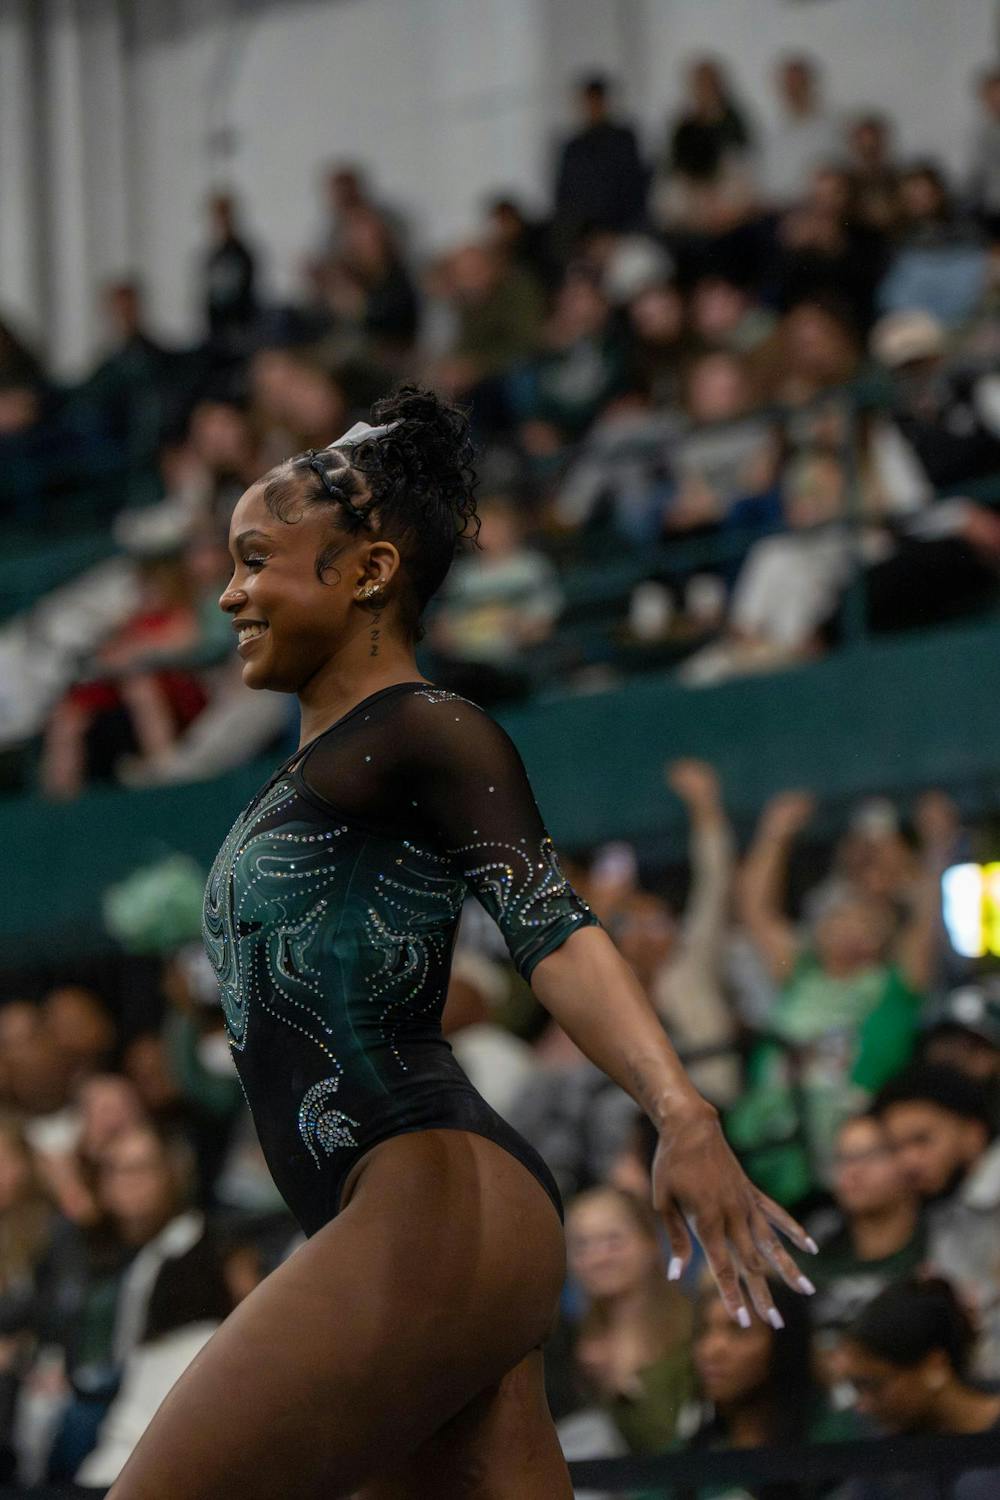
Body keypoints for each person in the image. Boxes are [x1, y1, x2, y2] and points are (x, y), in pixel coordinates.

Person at [104, 386, 816, 1499]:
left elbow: (552, 924)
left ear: (369, 571)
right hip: (430, 1214)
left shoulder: (424, 727)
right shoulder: (323, 762)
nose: (231, 594)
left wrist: (679, 1110)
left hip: (428, 1195)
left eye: (254, 561)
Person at [676, 1275, 854, 1500]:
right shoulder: (691, 1452)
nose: (711, 1350)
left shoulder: (836, 1444)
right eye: (704, 1331)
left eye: (738, 1331)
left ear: (785, 1344)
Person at [873, 1064, 1000, 1377]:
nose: (908, 1162)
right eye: (895, 1148)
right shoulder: (939, 1209)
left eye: (922, 1140)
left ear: (973, 1134)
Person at [841, 1277, 1000, 1499]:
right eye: (856, 1389)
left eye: (874, 1386)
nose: (863, 1406)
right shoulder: (883, 1458)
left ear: (933, 1365)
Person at [565, 1186, 694, 1454]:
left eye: (613, 1241)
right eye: (582, 1246)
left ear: (650, 1243)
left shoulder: (695, 1327)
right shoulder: (568, 1342)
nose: (598, 1258)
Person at [810, 1112, 925, 1346]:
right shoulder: (815, 1244)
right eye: (842, 1159)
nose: (852, 1171)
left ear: (906, 1160)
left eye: (868, 1157)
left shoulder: (942, 1243)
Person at [552, 75, 648, 255]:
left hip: (622, 231)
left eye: (596, 102)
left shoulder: (623, 141)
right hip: (581, 235)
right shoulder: (574, 148)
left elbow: (633, 188)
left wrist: (619, 232)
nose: (591, 108)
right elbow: (565, 195)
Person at [760, 55, 842, 208]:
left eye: (798, 84)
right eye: (788, 85)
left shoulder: (831, 128)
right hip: (774, 211)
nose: (793, 91)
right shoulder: (772, 133)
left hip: (815, 209)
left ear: (810, 85)